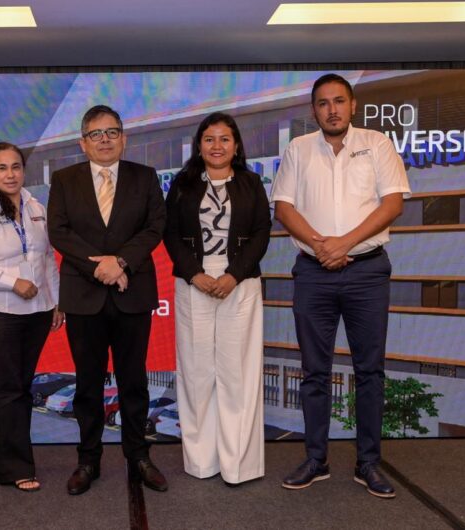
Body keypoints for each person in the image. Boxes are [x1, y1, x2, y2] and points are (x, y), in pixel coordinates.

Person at [271, 73, 411, 498]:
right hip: (313, 272)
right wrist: (321, 247)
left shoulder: (377, 144)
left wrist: (343, 243)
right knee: (314, 371)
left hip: (367, 272)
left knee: (370, 371)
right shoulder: (298, 149)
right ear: (313, 110)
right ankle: (316, 460)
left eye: (338, 101)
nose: (331, 110)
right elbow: (284, 208)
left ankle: (368, 463)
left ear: (352, 105)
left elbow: (393, 203)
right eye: (323, 103)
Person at [47, 105, 168, 495]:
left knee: (134, 382)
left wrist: (121, 262)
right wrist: (99, 267)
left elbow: (155, 226)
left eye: (112, 132)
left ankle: (139, 456)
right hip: (84, 296)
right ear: (83, 143)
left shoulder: (144, 177)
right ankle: (88, 460)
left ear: (124, 138)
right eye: (95, 134)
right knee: (87, 385)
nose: (104, 140)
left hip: (132, 293)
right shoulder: (64, 180)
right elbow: (59, 232)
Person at [163, 112, 271, 486]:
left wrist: (233, 275)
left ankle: (239, 465)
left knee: (237, 374)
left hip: (239, 282)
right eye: (209, 139)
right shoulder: (182, 184)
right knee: (196, 373)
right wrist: (195, 274)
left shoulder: (251, 183)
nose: (217, 146)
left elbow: (261, 232)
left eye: (225, 139)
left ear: (236, 145)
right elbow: (170, 233)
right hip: (192, 281)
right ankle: (201, 462)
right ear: (199, 145)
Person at [0, 142, 64, 492]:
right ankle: (15, 466)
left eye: (16, 167)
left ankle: (5, 452)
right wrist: (12, 282)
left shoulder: (36, 207)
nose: (10, 174)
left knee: (21, 386)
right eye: (2, 168)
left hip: (37, 313)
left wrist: (56, 301)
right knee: (9, 388)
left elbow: (46, 258)